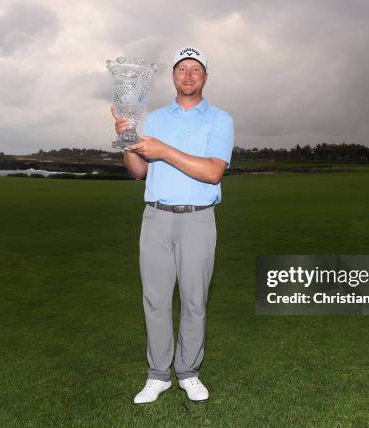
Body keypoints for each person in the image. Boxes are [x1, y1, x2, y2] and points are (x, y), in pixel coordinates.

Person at [110, 46, 234, 404]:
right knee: (155, 300)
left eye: (197, 69)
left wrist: (163, 150)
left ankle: (189, 372)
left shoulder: (220, 119)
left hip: (198, 218)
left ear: (205, 77)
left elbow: (213, 172)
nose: (189, 75)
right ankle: (158, 374)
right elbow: (138, 173)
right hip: (156, 217)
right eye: (183, 69)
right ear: (174, 77)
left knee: (195, 301)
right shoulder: (154, 118)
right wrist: (128, 141)